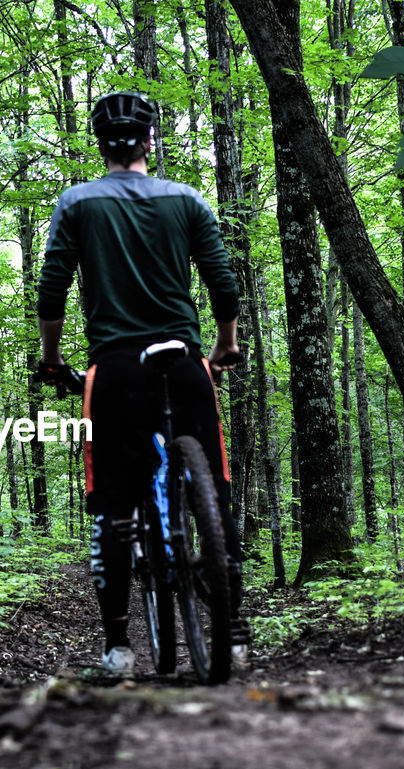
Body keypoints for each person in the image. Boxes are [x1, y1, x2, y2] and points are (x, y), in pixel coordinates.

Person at [33, 90, 249, 676]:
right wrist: (225, 343)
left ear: (100, 144)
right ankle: (234, 632)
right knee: (216, 489)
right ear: (151, 142)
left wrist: (53, 360)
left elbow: (52, 293)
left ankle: (118, 649)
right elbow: (222, 282)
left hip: (117, 368)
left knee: (113, 505)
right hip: (185, 360)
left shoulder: (77, 203)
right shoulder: (187, 200)